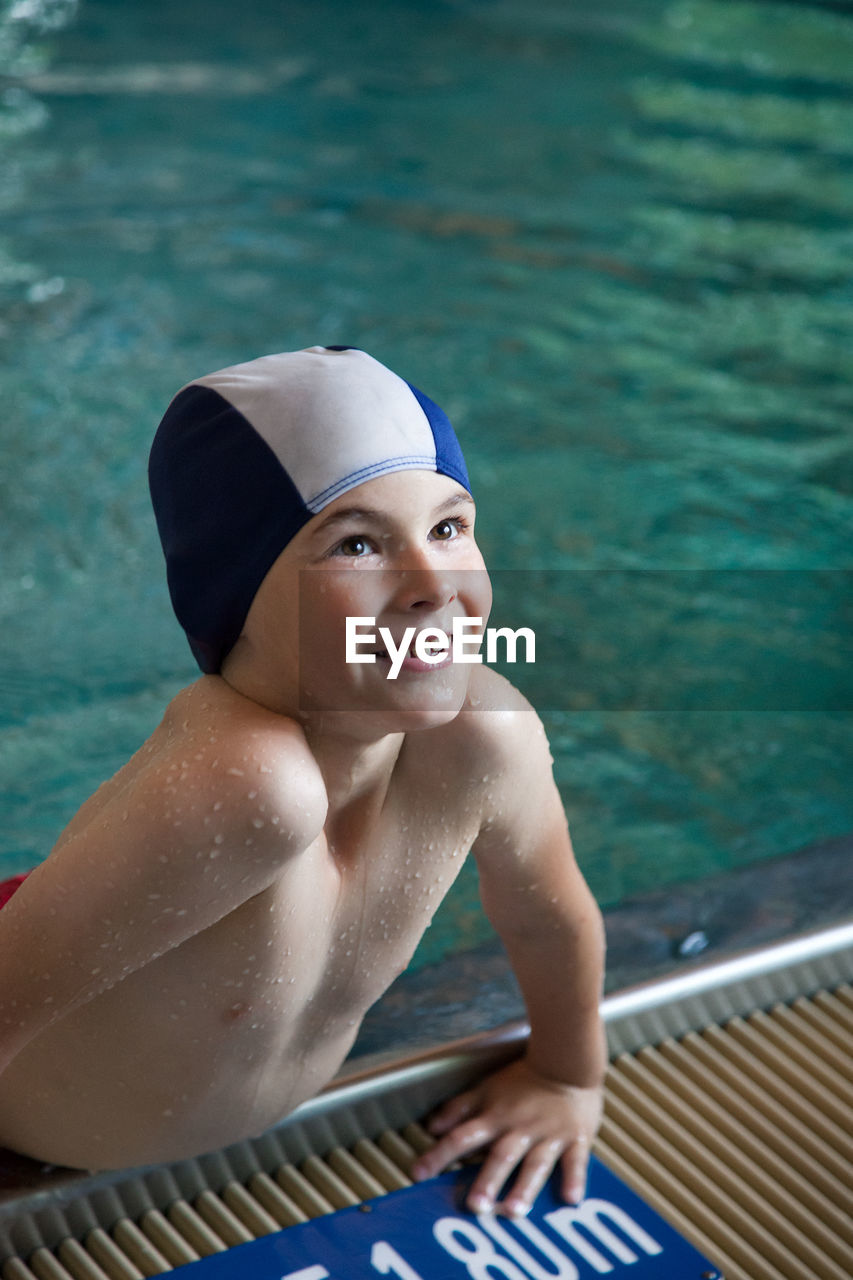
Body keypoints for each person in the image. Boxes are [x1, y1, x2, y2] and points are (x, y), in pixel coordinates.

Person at [0, 347, 606, 1218]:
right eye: (357, 544)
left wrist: (564, 1076)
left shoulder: (485, 738)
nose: (432, 586)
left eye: (448, 528)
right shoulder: (248, 785)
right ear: (235, 594)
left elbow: (548, 916)